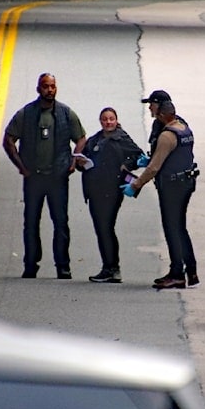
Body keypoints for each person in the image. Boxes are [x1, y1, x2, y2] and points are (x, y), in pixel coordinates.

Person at [3, 73, 86, 279]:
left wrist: (73, 161)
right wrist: (21, 166)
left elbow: (81, 138)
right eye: (45, 86)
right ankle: (30, 265)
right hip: (33, 177)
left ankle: (63, 266)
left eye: (53, 86)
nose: (50, 90)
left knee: (60, 222)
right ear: (38, 89)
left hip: (57, 177)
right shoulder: (27, 114)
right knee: (31, 222)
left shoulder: (66, 114)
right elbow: (9, 139)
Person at [123, 100, 199, 290]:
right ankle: (191, 270)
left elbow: (153, 168)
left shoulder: (167, 136)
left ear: (163, 115)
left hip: (172, 186)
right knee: (180, 227)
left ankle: (176, 274)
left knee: (171, 228)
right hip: (186, 182)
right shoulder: (185, 130)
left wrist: (135, 185)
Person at [80, 108, 143, 283]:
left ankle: (112, 268)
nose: (108, 122)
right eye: (105, 119)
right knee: (101, 229)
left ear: (116, 120)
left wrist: (125, 165)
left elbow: (138, 156)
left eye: (111, 119)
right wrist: (81, 162)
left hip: (112, 190)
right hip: (94, 191)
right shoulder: (95, 139)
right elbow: (83, 157)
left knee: (106, 227)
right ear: (100, 121)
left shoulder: (122, 138)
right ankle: (108, 266)